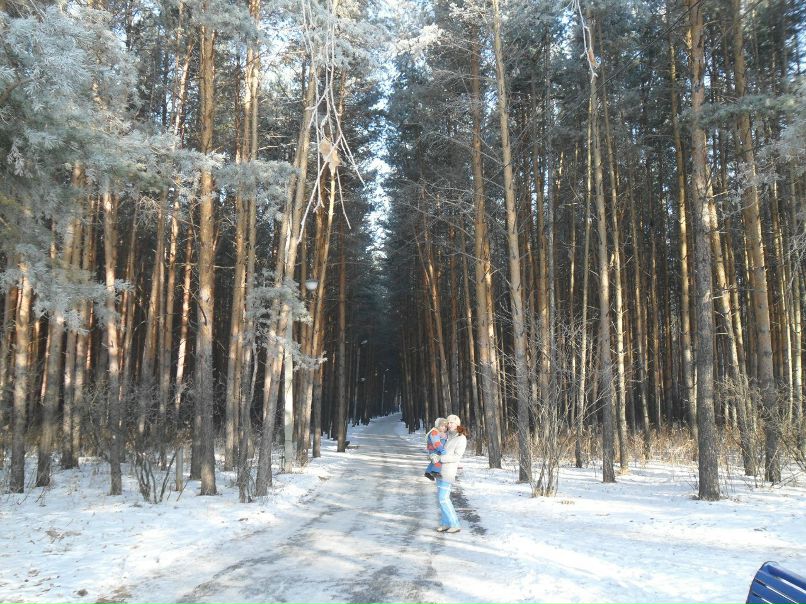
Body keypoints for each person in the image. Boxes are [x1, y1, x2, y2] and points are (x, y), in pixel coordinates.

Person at [431, 414, 467, 534]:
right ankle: (445, 523)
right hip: (439, 471)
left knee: (444, 498)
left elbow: (457, 456)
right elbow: (438, 448)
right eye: (448, 422)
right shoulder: (446, 436)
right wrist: (434, 455)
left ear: (457, 424)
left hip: (448, 472)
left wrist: (442, 458)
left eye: (452, 422)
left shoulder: (461, 438)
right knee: (441, 499)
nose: (449, 424)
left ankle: (455, 524)